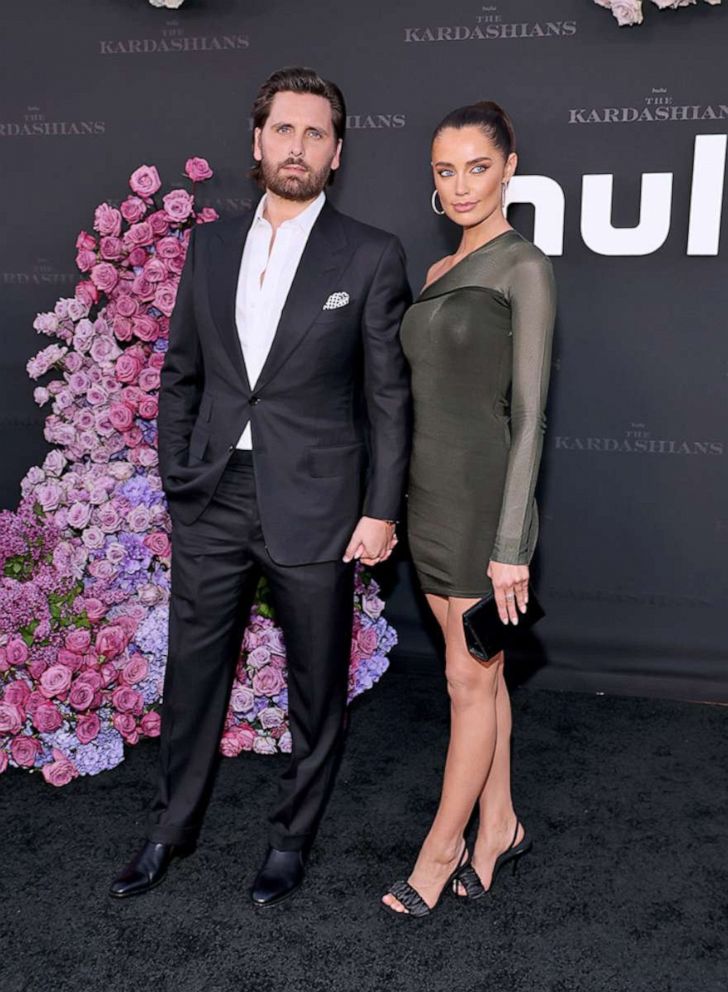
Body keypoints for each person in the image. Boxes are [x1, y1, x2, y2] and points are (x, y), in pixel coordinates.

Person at [109, 66, 411, 908]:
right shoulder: (208, 244)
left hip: (317, 503)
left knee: (318, 686)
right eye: (285, 129)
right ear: (257, 140)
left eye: (316, 133)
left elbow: (389, 398)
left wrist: (381, 509)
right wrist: (179, 473)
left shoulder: (372, 253)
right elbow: (181, 373)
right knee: (192, 675)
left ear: (337, 152)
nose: (298, 146)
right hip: (213, 495)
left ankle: (291, 838)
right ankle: (173, 827)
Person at [382, 101, 556, 917]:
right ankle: (501, 825)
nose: (460, 185)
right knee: (481, 675)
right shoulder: (437, 275)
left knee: (465, 678)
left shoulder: (524, 265)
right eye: (445, 170)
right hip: (431, 497)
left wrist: (513, 541)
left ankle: (440, 847)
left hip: (489, 502)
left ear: (509, 167)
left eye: (477, 167)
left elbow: (531, 414)